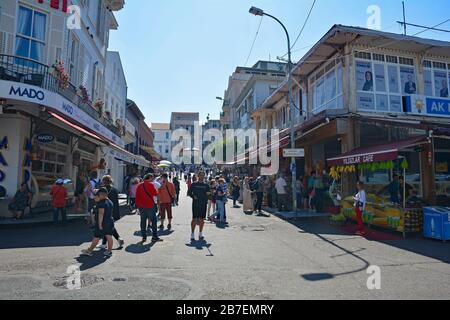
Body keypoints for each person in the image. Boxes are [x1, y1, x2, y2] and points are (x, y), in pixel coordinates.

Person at [81, 188, 115, 257]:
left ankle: (89, 250)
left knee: (96, 236)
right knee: (109, 236)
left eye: (98, 195)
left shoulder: (101, 203)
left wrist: (99, 224)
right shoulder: (109, 201)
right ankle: (109, 251)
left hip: (103, 223)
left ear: (102, 195)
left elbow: (101, 214)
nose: (96, 196)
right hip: (110, 221)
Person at [136, 174, 162, 243]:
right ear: (149, 177)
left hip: (141, 206)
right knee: (154, 221)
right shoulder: (151, 185)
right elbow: (155, 193)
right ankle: (154, 237)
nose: (153, 179)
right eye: (152, 177)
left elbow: (137, 196)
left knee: (143, 221)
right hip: (150, 205)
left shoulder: (139, 185)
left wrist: (138, 206)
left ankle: (144, 237)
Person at [100, 175, 125, 249]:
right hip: (114, 210)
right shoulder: (114, 189)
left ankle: (118, 239)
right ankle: (104, 243)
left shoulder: (103, 190)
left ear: (104, 181)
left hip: (106, 211)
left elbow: (101, 200)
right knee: (108, 227)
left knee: (107, 227)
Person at [188, 171, 210, 241]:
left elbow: (209, 194)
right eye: (200, 175)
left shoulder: (206, 185)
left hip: (203, 204)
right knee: (194, 219)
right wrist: (193, 196)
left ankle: (200, 233)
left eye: (203, 175)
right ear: (198, 176)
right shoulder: (194, 184)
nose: (202, 177)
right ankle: (192, 234)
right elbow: (189, 192)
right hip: (195, 204)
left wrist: (210, 193)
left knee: (202, 220)